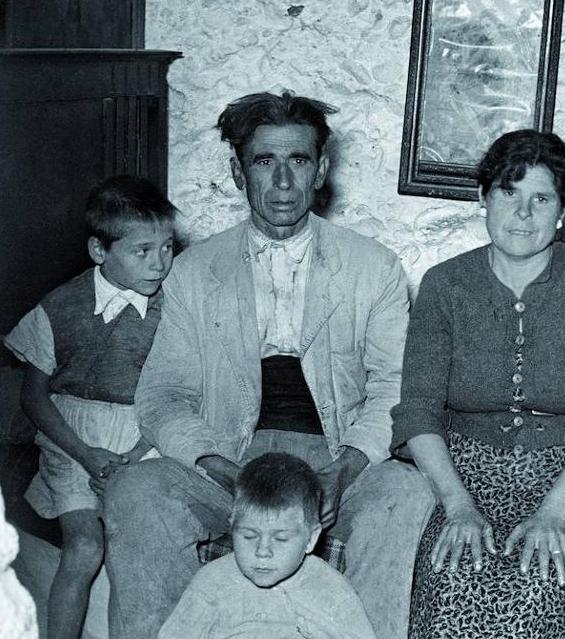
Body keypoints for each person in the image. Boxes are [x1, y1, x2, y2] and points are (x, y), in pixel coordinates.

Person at [103, 91, 434, 639]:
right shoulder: (195, 270)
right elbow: (162, 396)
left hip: (337, 454)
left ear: (320, 171)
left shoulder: (373, 267)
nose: (282, 181)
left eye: (298, 160)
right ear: (239, 173)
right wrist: (219, 467)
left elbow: (395, 387)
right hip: (229, 455)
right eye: (264, 161)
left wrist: (344, 469)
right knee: (135, 492)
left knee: (405, 494)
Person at [390, 129, 565, 639]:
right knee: (452, 584)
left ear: (563, 210)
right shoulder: (445, 284)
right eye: (509, 192)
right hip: (466, 477)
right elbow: (418, 411)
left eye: (541, 198)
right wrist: (457, 506)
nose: (523, 213)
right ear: (483, 197)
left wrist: (553, 514)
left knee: (539, 587)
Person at [6, 175, 176, 639]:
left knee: (131, 551)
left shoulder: (176, 308)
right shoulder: (58, 307)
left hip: (144, 438)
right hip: (72, 440)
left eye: (167, 247)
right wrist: (84, 454)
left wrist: (136, 455)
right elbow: (33, 396)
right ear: (99, 250)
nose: (159, 263)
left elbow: (176, 394)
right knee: (84, 548)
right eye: (142, 251)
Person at [157, 453, 378, 639]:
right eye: (249, 536)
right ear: (232, 527)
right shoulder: (211, 583)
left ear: (311, 538)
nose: (262, 552)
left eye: (280, 539)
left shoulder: (332, 591)